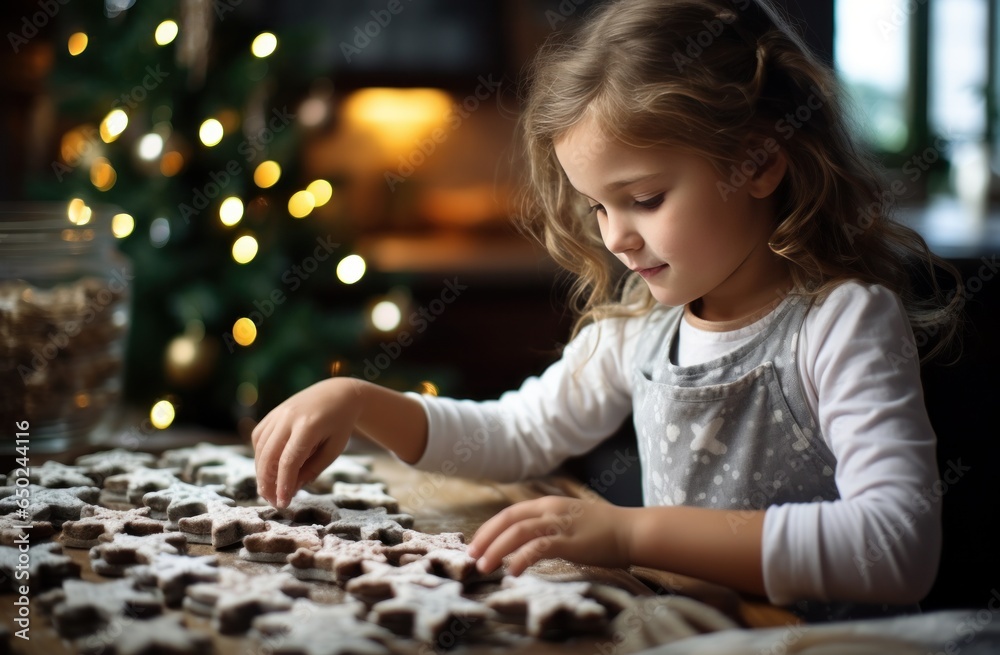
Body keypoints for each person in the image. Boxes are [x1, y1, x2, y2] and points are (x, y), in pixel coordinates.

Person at [252, 0, 962, 620]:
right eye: (597, 205)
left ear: (757, 163)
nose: (615, 237)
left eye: (645, 198)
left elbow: (894, 545)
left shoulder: (841, 322)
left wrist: (630, 534)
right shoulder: (641, 327)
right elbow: (518, 432)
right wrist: (361, 400)